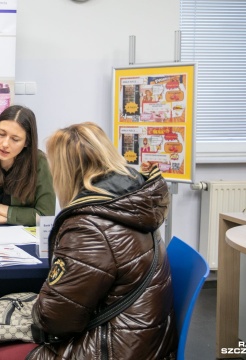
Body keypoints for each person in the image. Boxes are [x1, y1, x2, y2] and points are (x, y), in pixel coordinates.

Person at [29, 122, 177, 359]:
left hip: (113, 348)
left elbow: (55, 320)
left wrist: (36, 305)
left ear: (66, 172)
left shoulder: (88, 227)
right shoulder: (132, 202)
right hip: (145, 341)